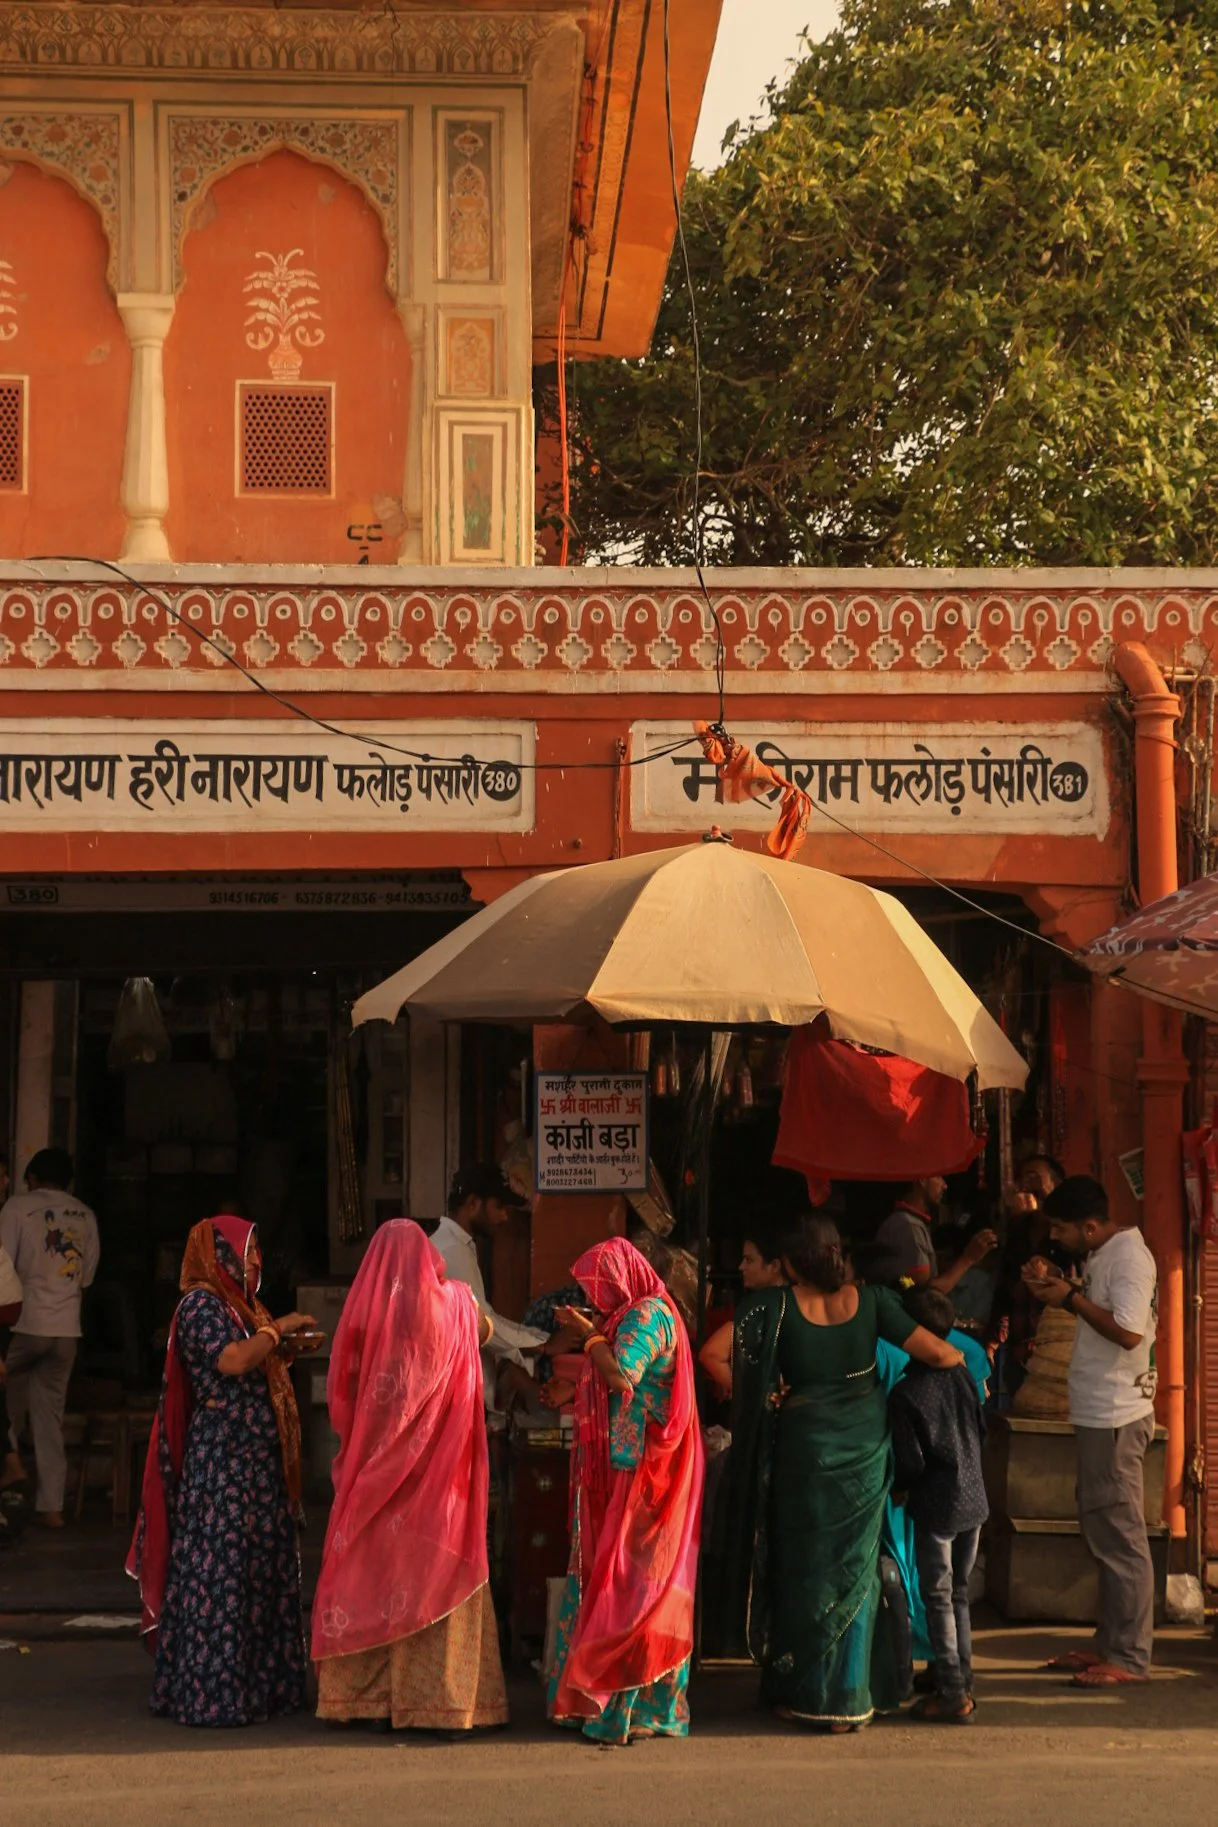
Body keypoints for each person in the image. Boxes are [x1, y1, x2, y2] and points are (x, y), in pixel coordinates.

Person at [727, 1216, 965, 1732]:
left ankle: (803, 1692)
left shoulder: (774, 1307)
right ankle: (848, 1699)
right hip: (864, 1451)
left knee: (804, 1572)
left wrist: (772, 1399)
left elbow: (741, 1371)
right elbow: (942, 1354)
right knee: (856, 1576)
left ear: (790, 1264)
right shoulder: (876, 1301)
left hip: (803, 1453)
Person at [313, 1221, 509, 1733]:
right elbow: (486, 1331)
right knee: (433, 1573)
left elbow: (342, 1393)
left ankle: (363, 1700)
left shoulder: (362, 1316)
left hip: (374, 1470)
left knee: (370, 1571)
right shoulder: (459, 1307)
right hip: (438, 1475)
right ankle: (439, 1702)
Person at [127, 1215, 318, 1726]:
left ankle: (264, 1691)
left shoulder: (244, 1307)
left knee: (259, 1573)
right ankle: (213, 1696)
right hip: (223, 1469)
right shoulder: (200, 1306)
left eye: (256, 1248)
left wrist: (281, 1347)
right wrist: (276, 1332)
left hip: (256, 1468)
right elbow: (232, 1361)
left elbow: (256, 1355)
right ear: (220, 1256)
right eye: (247, 1249)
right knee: (222, 1578)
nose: (256, 1259)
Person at [546, 1238, 704, 1746]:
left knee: (631, 1588)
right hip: (635, 1466)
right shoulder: (641, 1315)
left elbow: (622, 1378)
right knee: (637, 1585)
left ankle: (622, 1710)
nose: (594, 1298)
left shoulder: (647, 1317)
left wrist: (588, 1335)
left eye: (599, 1286)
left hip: (644, 1472)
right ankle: (643, 1707)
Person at [1023, 1175, 1158, 1689]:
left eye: (1062, 1229)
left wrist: (1068, 1300)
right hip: (1102, 1413)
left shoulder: (1128, 1259)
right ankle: (1111, 1645)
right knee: (1105, 1533)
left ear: (1091, 1225)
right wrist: (1064, 1286)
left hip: (1116, 1416)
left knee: (1121, 1539)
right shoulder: (1107, 1256)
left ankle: (1129, 1655)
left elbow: (1127, 1332)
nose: (1057, 1236)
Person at [888, 1287, 989, 1724]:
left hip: (938, 1504)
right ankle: (960, 1677)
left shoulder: (907, 1392)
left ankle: (952, 1692)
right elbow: (980, 1429)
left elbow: (910, 1461)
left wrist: (901, 1488)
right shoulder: (962, 1373)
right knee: (959, 1592)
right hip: (974, 1495)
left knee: (938, 1596)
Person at [0, 1148, 99, 1527]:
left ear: (33, 1179)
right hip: (65, 1330)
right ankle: (51, 1507)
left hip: (22, 1326)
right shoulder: (86, 1216)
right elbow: (85, 1279)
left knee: (4, 1408)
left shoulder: (17, 1209)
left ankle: (9, 1475)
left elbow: (2, 1269)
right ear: (68, 1182)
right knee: (49, 1419)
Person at [431, 1162, 547, 1410]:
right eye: (499, 1207)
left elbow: (486, 1317)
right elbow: (480, 1323)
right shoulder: (450, 1251)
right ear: (473, 1203)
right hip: (450, 1398)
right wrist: (543, 1344)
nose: (505, 1217)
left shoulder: (458, 1246)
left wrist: (537, 1339)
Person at [699, 1222, 788, 1398]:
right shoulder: (803, 1302)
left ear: (774, 1266)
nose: (741, 1267)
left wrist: (751, 1394)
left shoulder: (758, 1306)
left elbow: (711, 1354)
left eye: (749, 1260)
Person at [870, 1175, 997, 1297]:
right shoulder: (908, 1224)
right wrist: (968, 1259)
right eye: (938, 1176)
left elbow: (905, 1283)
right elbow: (927, 1292)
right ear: (922, 1180)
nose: (945, 1185)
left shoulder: (908, 1221)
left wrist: (902, 1283)